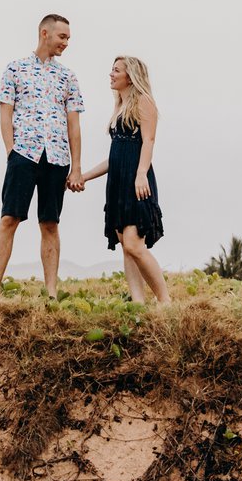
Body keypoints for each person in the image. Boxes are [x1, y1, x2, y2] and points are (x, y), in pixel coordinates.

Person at [0, 14, 85, 299]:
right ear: (45, 33)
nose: (66, 43)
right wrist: (12, 152)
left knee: (50, 223)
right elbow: (5, 114)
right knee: (10, 218)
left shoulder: (68, 76)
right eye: (62, 37)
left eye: (68, 38)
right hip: (24, 154)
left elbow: (74, 125)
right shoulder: (15, 69)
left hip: (57, 158)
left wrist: (76, 166)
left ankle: (51, 292)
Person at [80, 55, 169, 304]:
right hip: (118, 182)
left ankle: (165, 301)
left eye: (116, 70)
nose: (111, 74)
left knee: (134, 244)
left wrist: (141, 174)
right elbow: (114, 156)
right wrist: (85, 176)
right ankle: (138, 302)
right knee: (125, 246)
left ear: (130, 75)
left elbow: (149, 140)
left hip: (136, 180)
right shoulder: (119, 106)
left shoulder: (144, 101)